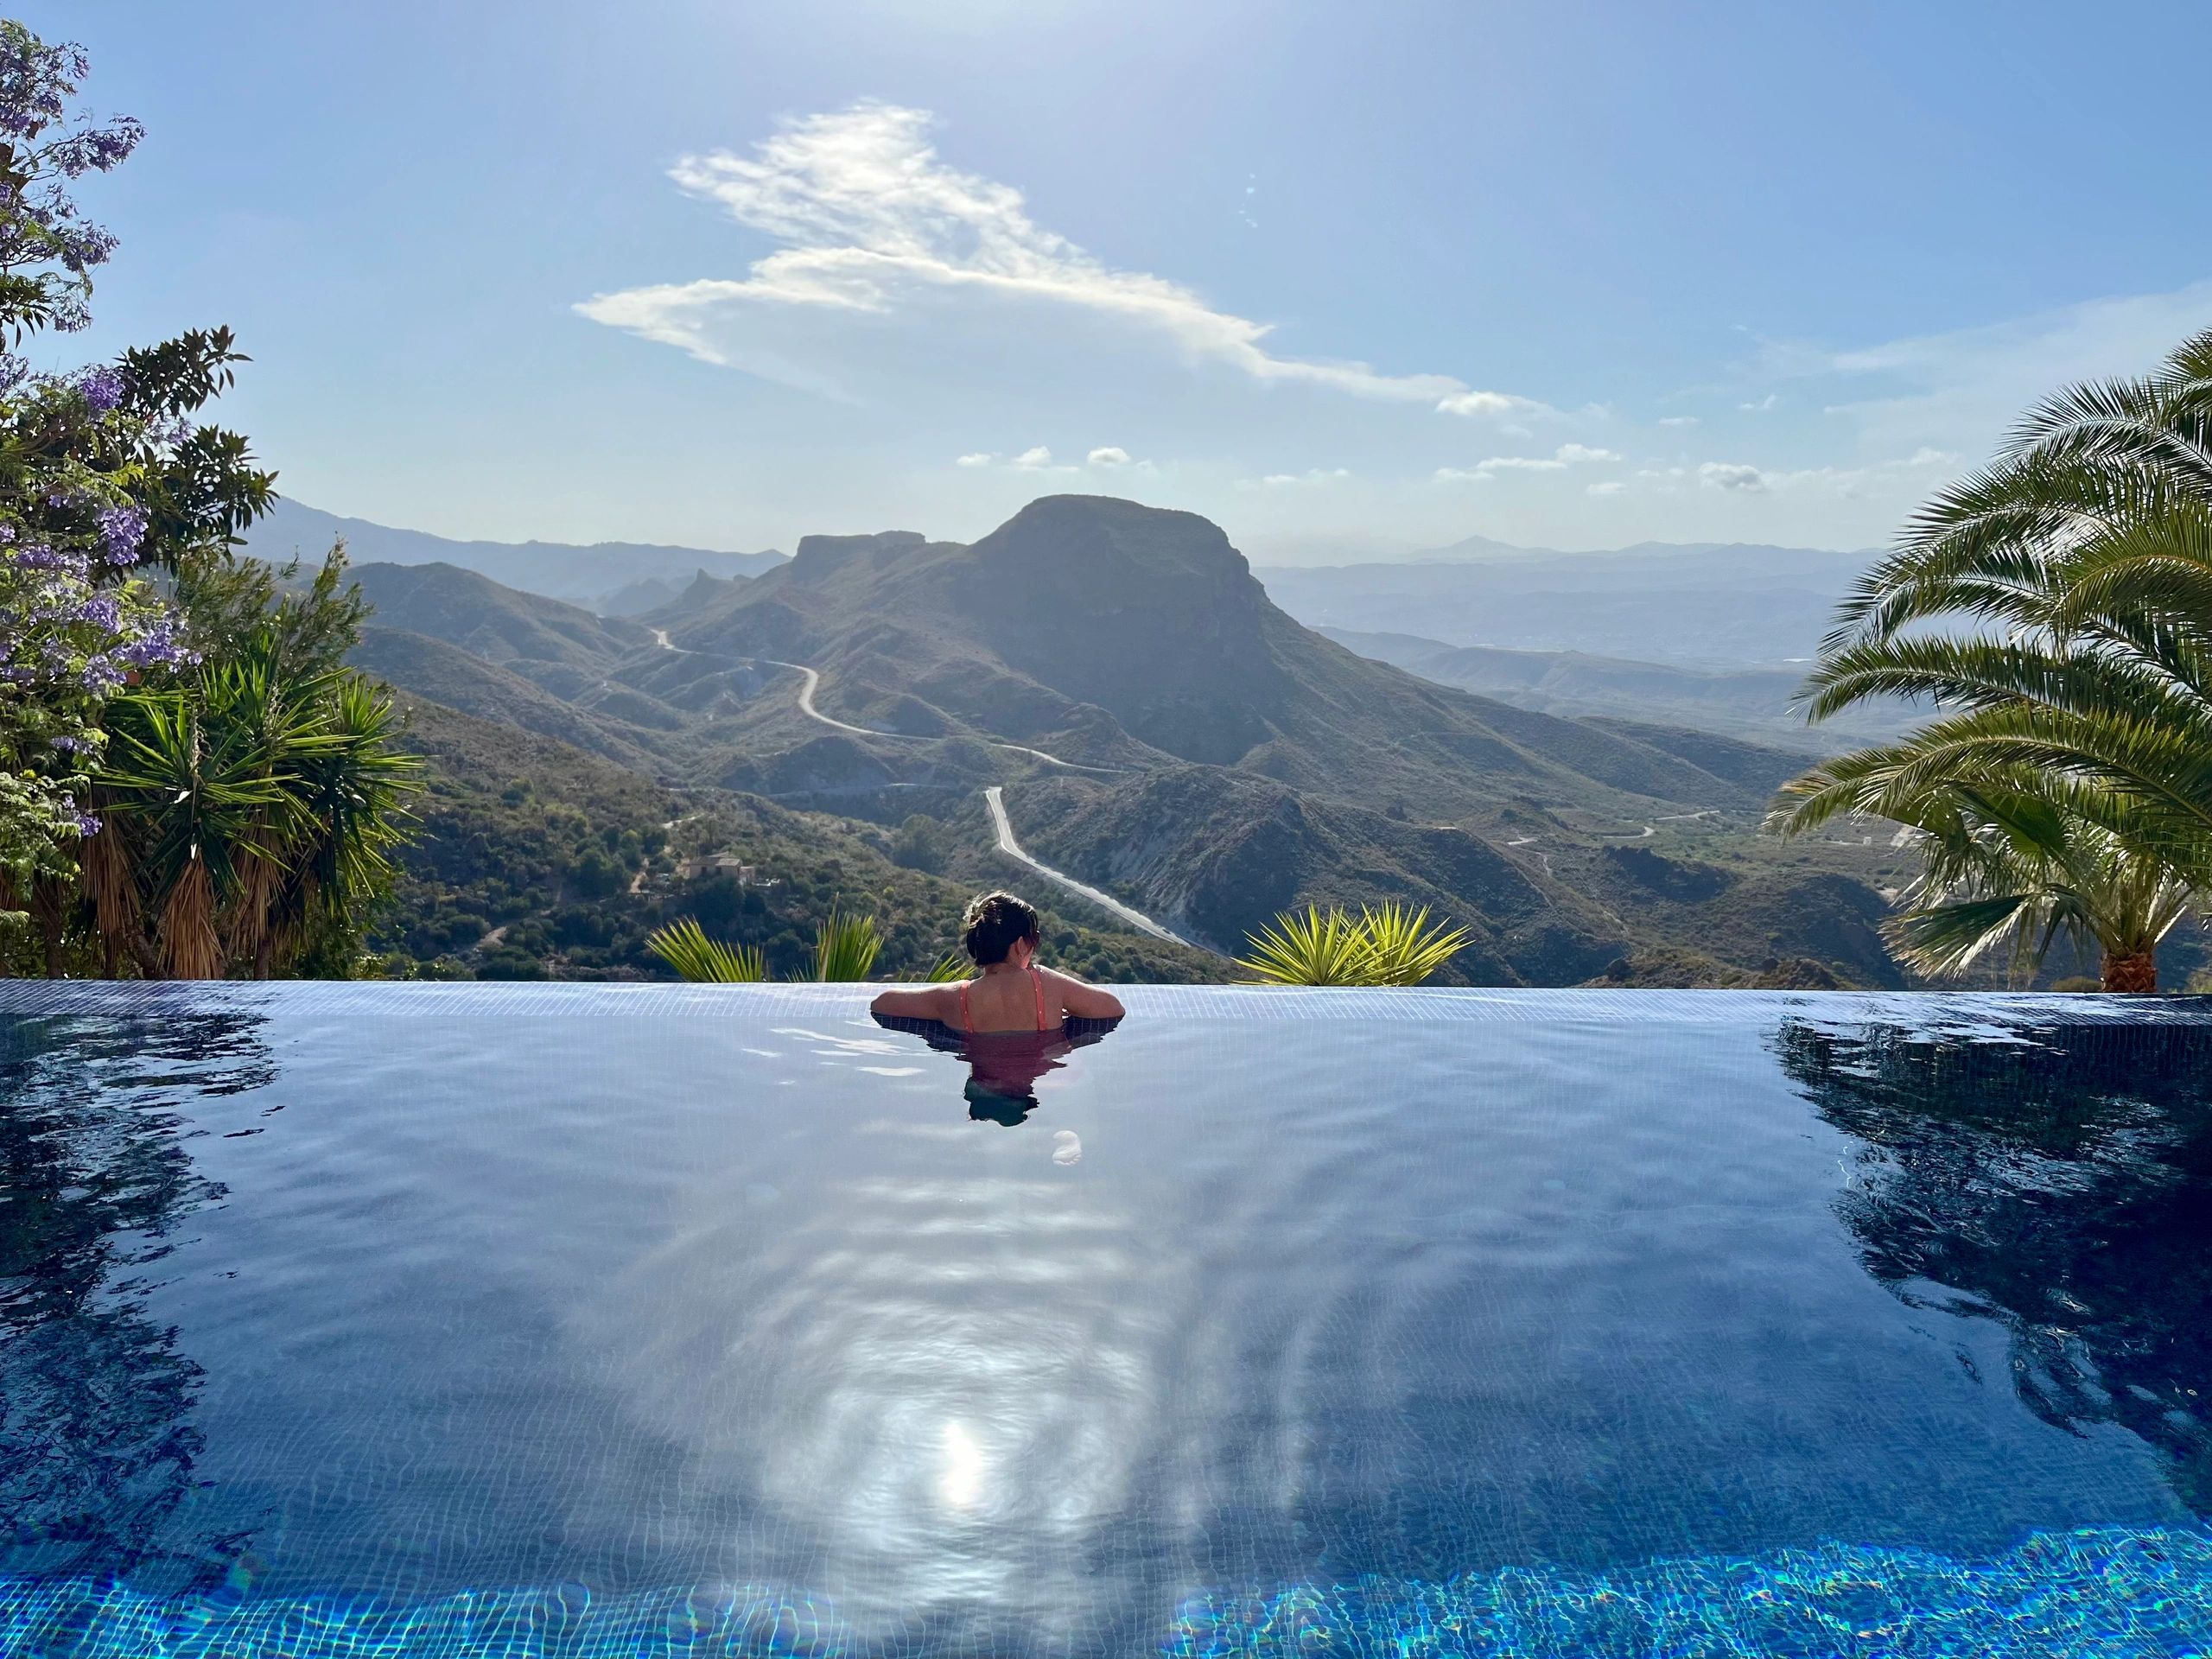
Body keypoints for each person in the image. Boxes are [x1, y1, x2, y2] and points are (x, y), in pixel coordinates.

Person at [869, 891, 1125, 1033]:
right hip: (1035, 1078)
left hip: (982, 1086)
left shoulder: (955, 998)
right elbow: (1113, 1008)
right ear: (1020, 945)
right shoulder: (1048, 985)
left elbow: (882, 1004)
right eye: (1033, 939)